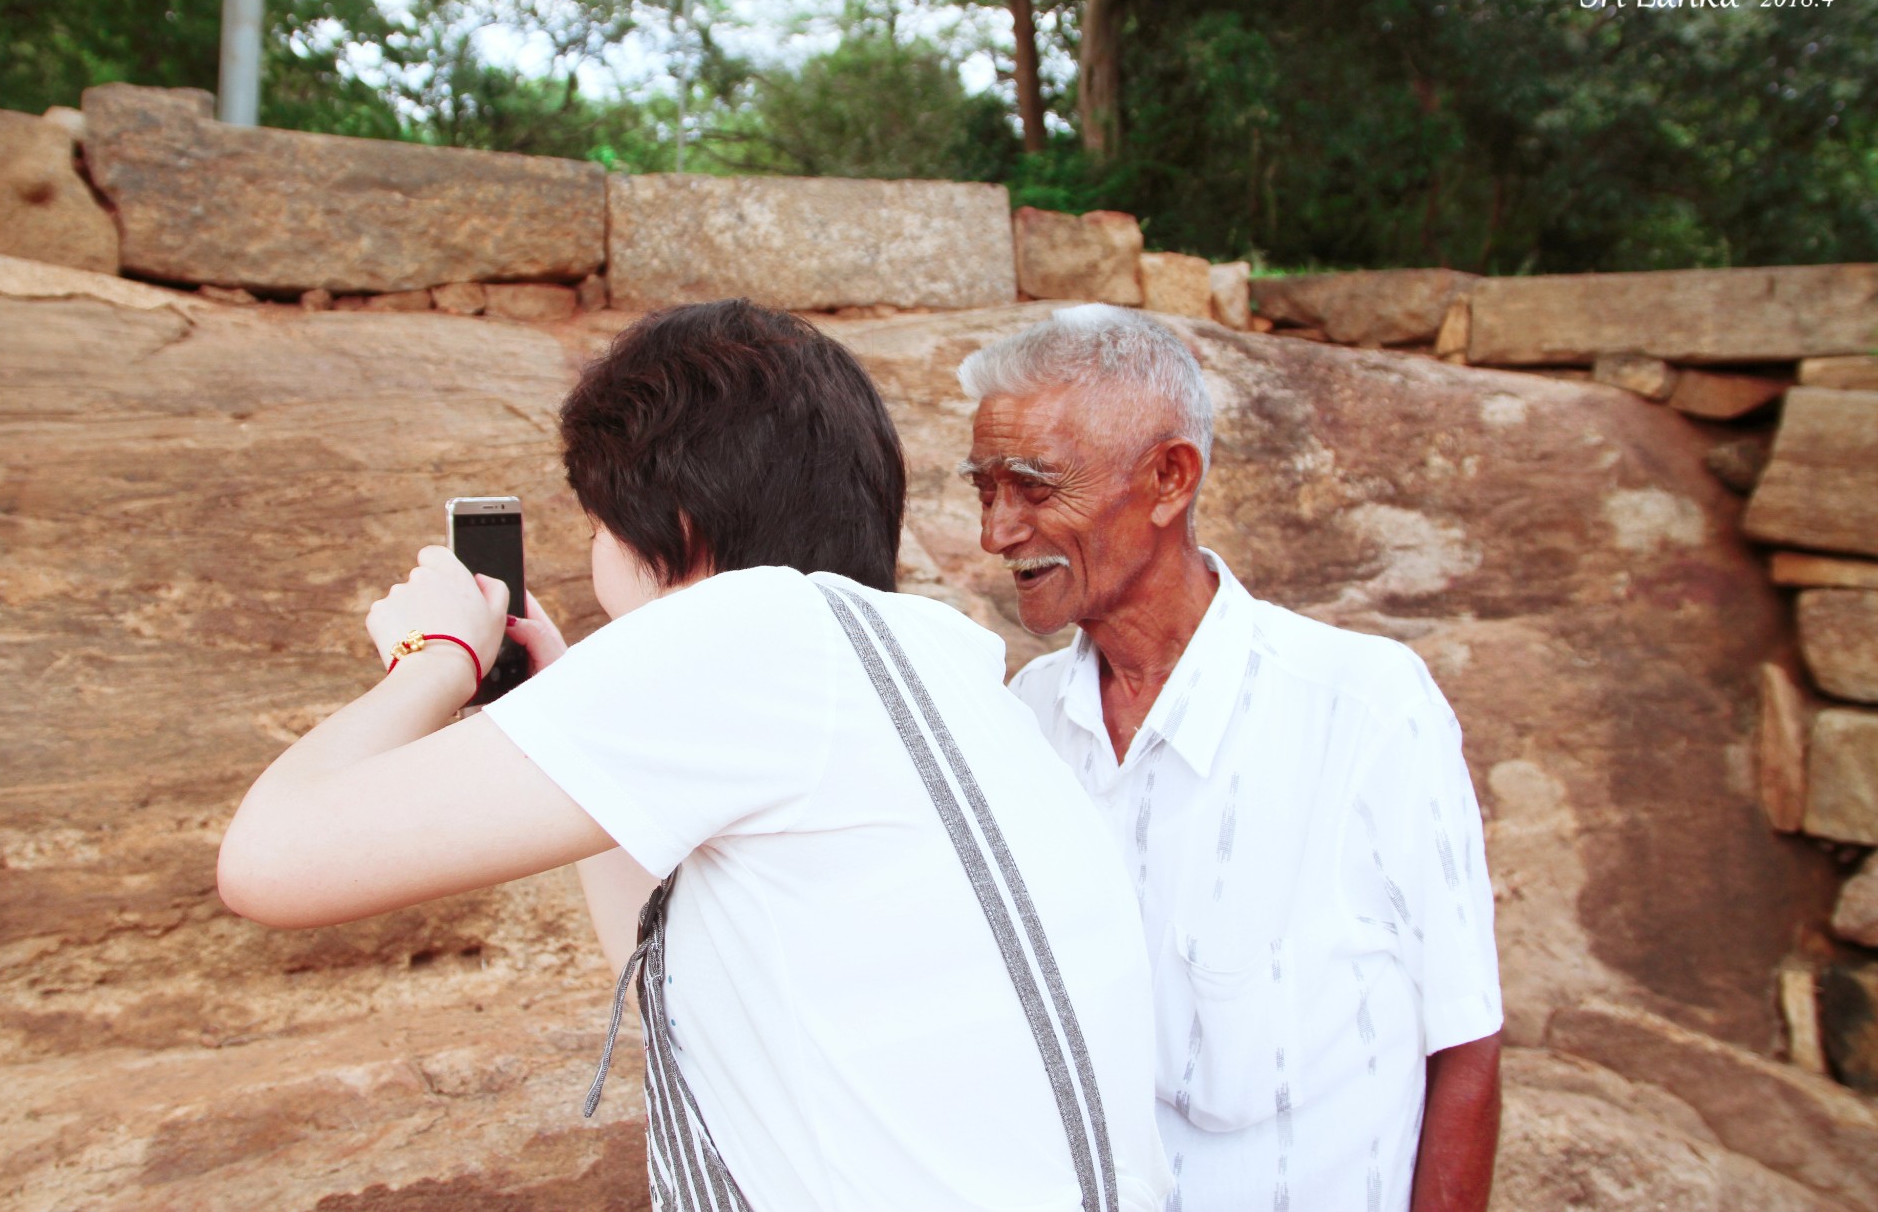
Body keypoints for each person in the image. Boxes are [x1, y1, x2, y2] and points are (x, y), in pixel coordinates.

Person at [218, 299, 1173, 1211]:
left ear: (672, 527)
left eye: (596, 529)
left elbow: (270, 862)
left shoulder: (752, 630)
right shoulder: (936, 671)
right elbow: (682, 999)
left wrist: (435, 661)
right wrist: (563, 705)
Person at [955, 304, 1503, 1212]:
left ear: (1170, 479)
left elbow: (1467, 1046)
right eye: (985, 490)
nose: (997, 533)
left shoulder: (1365, 708)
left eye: (1035, 488)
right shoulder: (1027, 717)